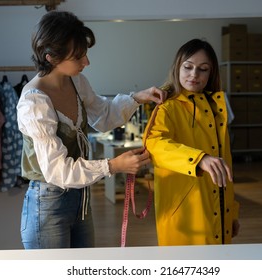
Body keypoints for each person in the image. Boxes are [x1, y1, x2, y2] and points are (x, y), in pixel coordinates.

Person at [17, 10, 166, 249]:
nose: (86, 62)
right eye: (78, 57)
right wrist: (114, 165)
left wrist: (138, 98)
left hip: (81, 200)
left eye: (85, 54)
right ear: (52, 58)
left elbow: (104, 116)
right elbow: (58, 171)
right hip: (48, 205)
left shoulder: (76, 82)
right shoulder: (34, 102)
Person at [143, 38, 240, 246]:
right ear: (177, 67)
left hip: (218, 209)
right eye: (188, 67)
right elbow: (155, 144)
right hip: (184, 212)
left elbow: (226, 166)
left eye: (203, 69)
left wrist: (231, 212)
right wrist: (199, 159)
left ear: (211, 73)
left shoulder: (217, 108)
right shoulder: (167, 107)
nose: (194, 75)